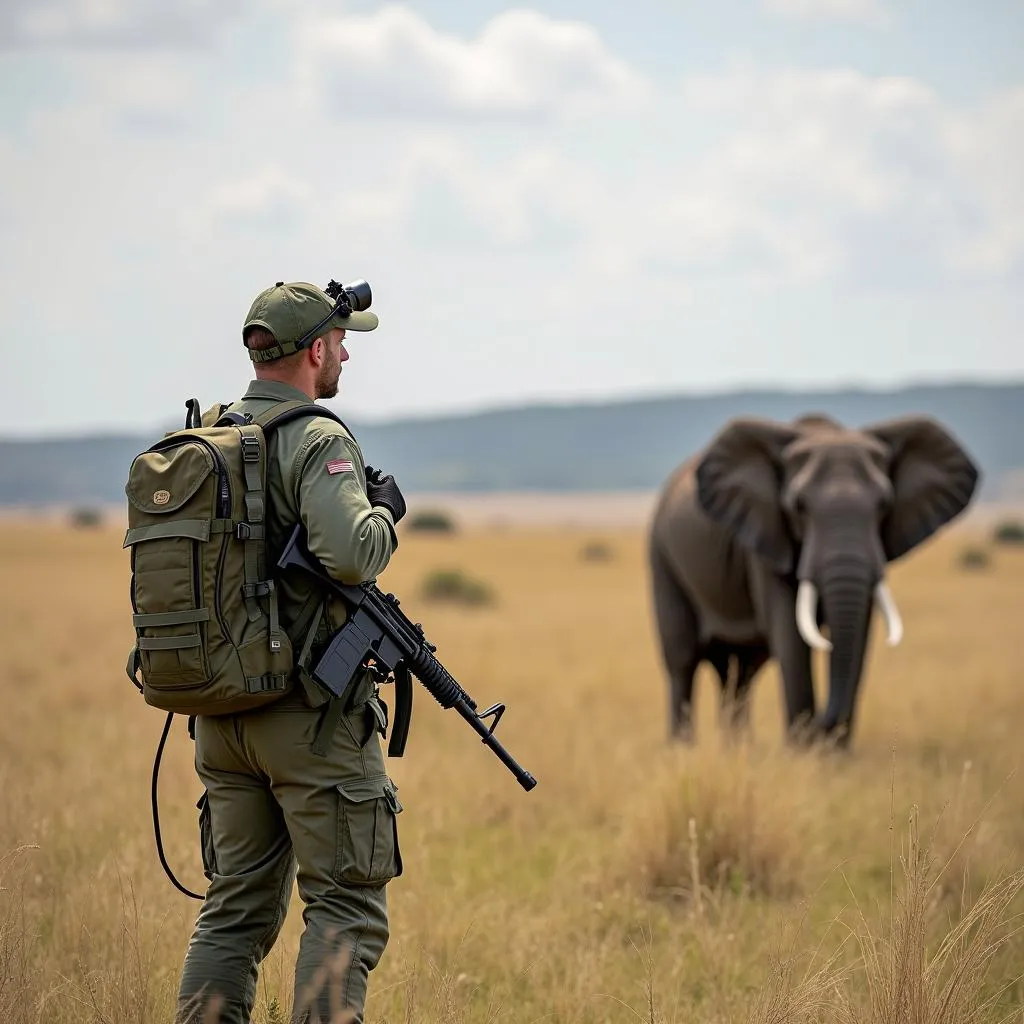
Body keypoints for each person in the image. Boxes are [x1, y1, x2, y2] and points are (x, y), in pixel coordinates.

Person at [175, 280, 407, 1024]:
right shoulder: (317, 437)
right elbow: (351, 555)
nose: (344, 354)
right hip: (306, 718)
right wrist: (386, 514)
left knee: (234, 912)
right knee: (344, 909)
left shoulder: (213, 435)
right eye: (340, 342)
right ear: (314, 350)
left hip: (221, 713)